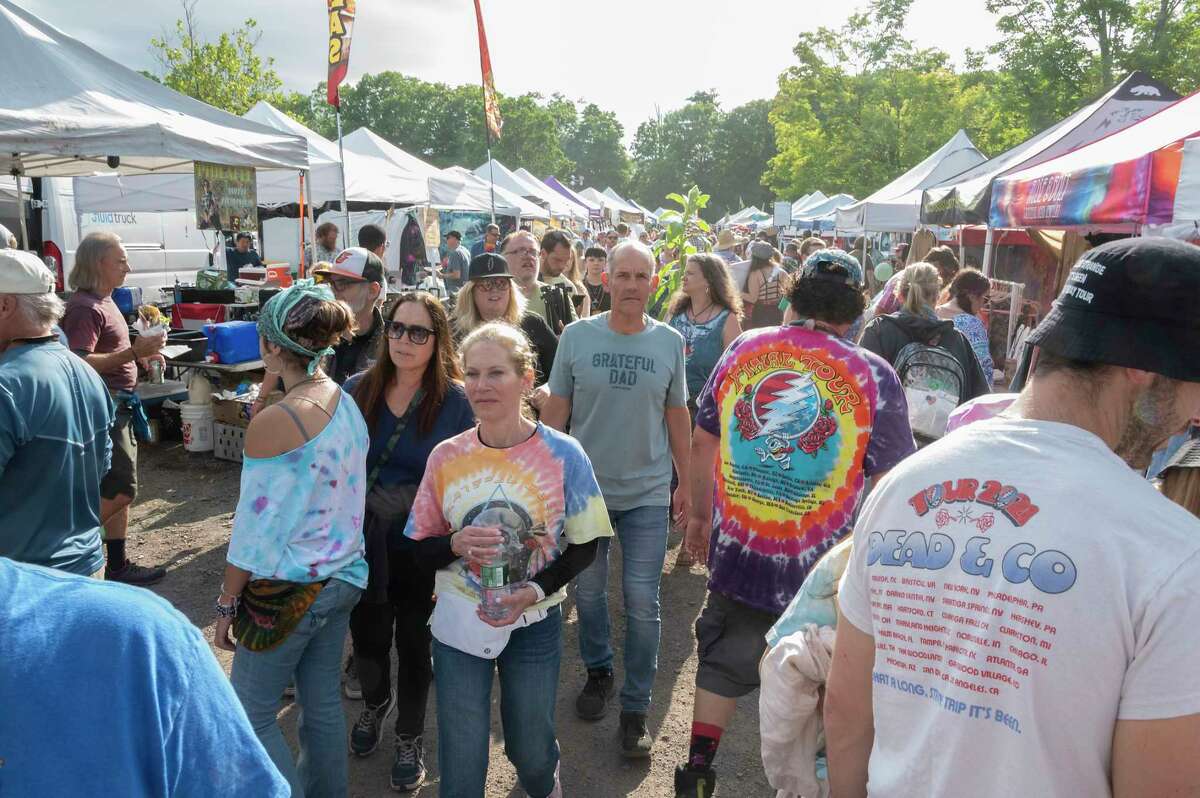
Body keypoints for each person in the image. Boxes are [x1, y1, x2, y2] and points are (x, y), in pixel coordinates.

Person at [825, 237, 1200, 798]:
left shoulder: (905, 484)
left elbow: (848, 713)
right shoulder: (1173, 555)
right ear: (1144, 368)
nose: (1195, 416)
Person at [674, 248, 915, 797]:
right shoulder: (872, 375)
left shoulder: (745, 348)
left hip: (741, 551)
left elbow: (704, 436)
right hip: (824, 576)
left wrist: (702, 517)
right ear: (857, 310)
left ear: (792, 297)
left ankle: (697, 772)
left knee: (722, 659)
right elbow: (891, 481)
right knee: (823, 689)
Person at [403, 322, 612, 797]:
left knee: (532, 751)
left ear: (525, 378)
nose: (481, 385)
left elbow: (586, 543)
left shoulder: (564, 454)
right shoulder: (446, 457)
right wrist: (453, 544)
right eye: (472, 373)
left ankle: (544, 784)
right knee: (461, 758)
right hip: (459, 621)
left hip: (534, 620)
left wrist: (533, 591)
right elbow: (416, 548)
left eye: (496, 372)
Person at [214, 281, 369, 798]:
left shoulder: (279, 421)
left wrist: (228, 599)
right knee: (320, 700)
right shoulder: (343, 401)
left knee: (250, 715)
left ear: (274, 345)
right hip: (342, 576)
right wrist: (272, 380)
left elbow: (254, 528)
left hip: (288, 591)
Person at [541, 240, 692, 758]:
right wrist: (540, 482)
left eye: (641, 276)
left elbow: (677, 416)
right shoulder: (576, 338)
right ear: (607, 280)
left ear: (654, 282)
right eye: (622, 276)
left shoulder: (669, 342)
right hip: (586, 494)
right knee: (587, 595)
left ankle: (635, 708)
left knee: (642, 601)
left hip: (647, 493)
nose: (631, 285)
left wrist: (687, 482)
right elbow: (556, 413)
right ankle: (600, 671)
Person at [0, 556, 289, 797]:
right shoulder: (136, 638)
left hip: (275, 601)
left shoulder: (136, 641)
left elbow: (252, 537)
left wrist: (228, 600)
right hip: (323, 587)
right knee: (319, 702)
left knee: (259, 712)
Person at [342, 292, 475, 791]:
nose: (404, 340)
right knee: (370, 637)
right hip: (364, 543)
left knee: (416, 643)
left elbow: (467, 479)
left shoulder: (456, 403)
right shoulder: (357, 389)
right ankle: (376, 705)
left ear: (438, 340)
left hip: (423, 546)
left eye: (419, 332)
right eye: (397, 328)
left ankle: (410, 734)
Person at [62, 232, 167, 584]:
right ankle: (65, 551)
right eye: (120, 260)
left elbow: (114, 354)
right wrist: (133, 354)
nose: (128, 267)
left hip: (121, 403)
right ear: (98, 264)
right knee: (122, 489)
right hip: (104, 407)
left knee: (117, 490)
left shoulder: (105, 301)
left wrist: (144, 356)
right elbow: (78, 362)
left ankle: (118, 565)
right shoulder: (84, 307)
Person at [0, 251, 112, 576]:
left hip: (26, 583)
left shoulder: (7, 384)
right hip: (86, 567)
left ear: (4, 305)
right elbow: (101, 469)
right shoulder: (85, 370)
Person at [859, 262, 989, 439]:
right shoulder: (957, 339)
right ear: (937, 296)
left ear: (899, 295)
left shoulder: (879, 331)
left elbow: (859, 394)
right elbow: (979, 402)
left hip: (888, 445)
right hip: (939, 452)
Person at [452, 253, 558, 402]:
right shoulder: (454, 331)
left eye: (501, 283)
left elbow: (563, 368)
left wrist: (549, 388)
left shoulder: (532, 323)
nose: (494, 290)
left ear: (511, 289)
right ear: (471, 292)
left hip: (528, 418)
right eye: (486, 285)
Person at [666, 253, 743, 416]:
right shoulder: (676, 312)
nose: (684, 277)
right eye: (685, 272)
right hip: (671, 402)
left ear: (708, 280)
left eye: (691, 273)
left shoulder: (726, 318)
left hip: (706, 408)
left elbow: (737, 368)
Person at [313, 247, 387, 384]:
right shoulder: (317, 332)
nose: (333, 291)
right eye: (331, 283)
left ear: (373, 290)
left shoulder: (392, 344)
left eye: (342, 284)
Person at [504, 230, 577, 334]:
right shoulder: (493, 297)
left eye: (533, 252)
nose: (528, 256)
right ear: (503, 257)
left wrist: (562, 342)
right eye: (519, 251)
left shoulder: (557, 296)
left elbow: (577, 339)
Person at [937, 268, 995, 388]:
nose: (984, 305)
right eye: (985, 299)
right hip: (960, 393)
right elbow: (984, 369)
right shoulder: (971, 324)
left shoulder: (934, 313)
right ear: (972, 296)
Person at [872, 244, 959, 318]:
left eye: (951, 276)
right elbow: (880, 312)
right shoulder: (904, 279)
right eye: (946, 273)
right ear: (934, 265)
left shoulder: (932, 285)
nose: (946, 280)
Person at [540, 229, 591, 320]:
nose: (562, 266)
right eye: (557, 260)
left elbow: (574, 325)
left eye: (567, 260)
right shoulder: (524, 279)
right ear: (543, 254)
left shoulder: (569, 287)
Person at [740, 240, 787, 329]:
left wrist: (737, 292)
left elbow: (753, 298)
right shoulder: (781, 272)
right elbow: (787, 295)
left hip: (760, 313)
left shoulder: (755, 273)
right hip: (778, 311)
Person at [582, 245, 611, 315]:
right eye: (591, 260)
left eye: (600, 260)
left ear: (605, 262)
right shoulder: (579, 285)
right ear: (585, 262)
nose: (596, 263)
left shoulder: (612, 285)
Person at [441, 230, 471, 296]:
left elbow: (456, 275)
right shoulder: (465, 250)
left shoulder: (455, 253)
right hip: (465, 288)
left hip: (456, 291)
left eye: (448, 238)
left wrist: (441, 275)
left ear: (454, 239)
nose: (446, 241)